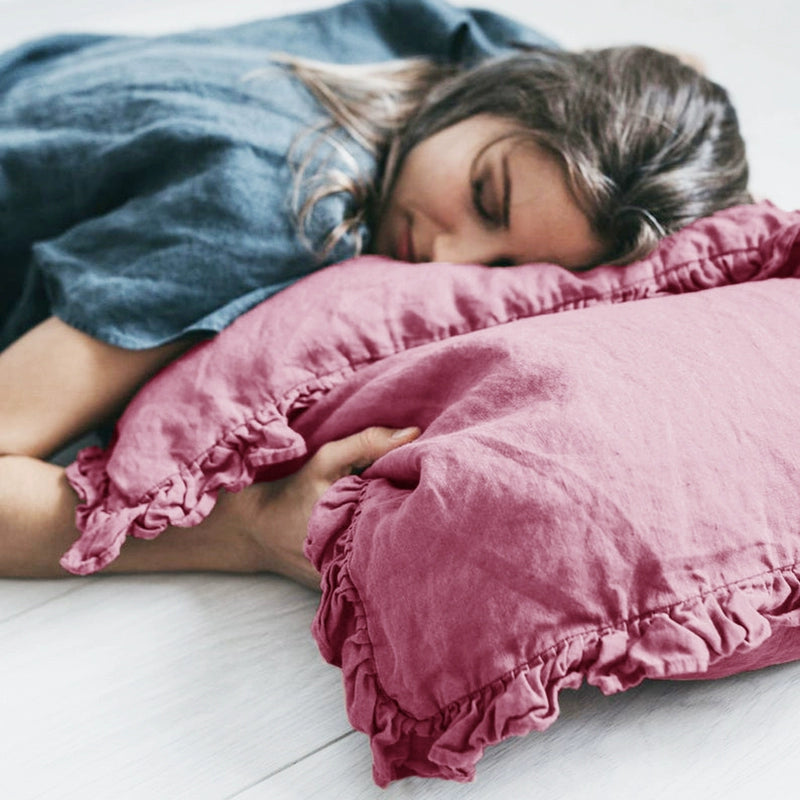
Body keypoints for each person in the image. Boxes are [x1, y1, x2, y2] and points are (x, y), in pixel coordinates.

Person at [0, 0, 751, 588]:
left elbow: (669, 86)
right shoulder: (275, 210)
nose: (445, 258)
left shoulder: (453, 36)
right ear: (500, 93)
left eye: (502, 272)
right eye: (487, 197)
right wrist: (244, 533)